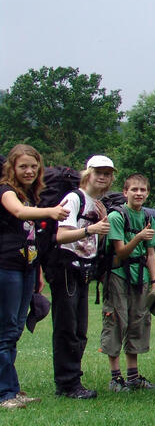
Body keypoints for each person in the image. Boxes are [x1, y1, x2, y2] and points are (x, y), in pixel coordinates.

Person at [0, 145, 69, 409]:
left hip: (26, 267)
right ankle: (4, 394)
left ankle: (11, 389)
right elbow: (18, 212)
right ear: (12, 168)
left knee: (15, 330)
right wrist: (50, 211)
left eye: (33, 166)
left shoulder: (29, 195)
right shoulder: (6, 191)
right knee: (6, 331)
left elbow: (29, 236)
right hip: (6, 267)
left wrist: (37, 269)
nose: (29, 171)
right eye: (23, 166)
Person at [45, 154, 114, 399]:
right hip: (66, 267)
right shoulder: (74, 198)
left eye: (107, 174)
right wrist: (90, 228)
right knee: (67, 328)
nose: (103, 177)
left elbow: (93, 240)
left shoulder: (96, 203)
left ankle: (72, 379)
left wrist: (98, 229)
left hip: (83, 270)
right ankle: (67, 383)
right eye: (98, 173)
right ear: (88, 173)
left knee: (79, 330)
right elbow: (60, 235)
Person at [103, 173, 155, 392]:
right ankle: (115, 377)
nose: (138, 193)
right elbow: (121, 252)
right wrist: (138, 237)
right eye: (134, 190)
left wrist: (154, 281)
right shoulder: (116, 217)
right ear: (125, 192)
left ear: (147, 193)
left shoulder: (147, 218)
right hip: (119, 275)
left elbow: (151, 253)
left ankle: (133, 376)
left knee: (138, 322)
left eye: (142, 190)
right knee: (117, 321)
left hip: (141, 277)